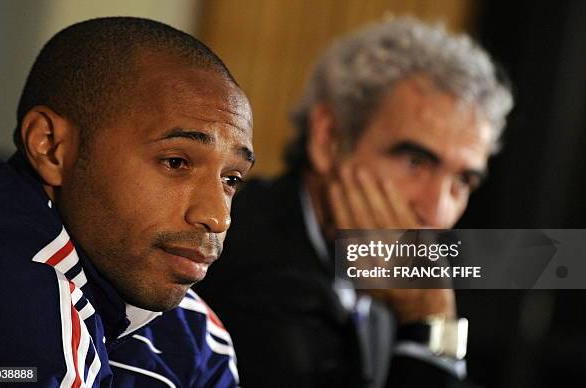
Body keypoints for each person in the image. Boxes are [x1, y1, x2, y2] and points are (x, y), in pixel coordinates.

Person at [196, 17, 513, 387]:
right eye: (415, 162)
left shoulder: (377, 267)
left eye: (463, 181)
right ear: (329, 138)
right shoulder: (256, 272)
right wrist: (430, 317)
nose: (437, 211)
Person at [0, 17, 255, 387]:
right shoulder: (14, 283)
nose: (217, 218)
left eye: (231, 179)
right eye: (176, 162)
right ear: (51, 147)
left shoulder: (194, 333)